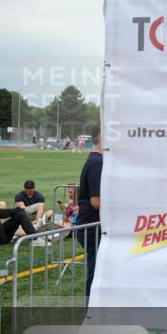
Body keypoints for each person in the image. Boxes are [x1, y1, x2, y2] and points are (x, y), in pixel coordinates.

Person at [77, 127, 103, 297]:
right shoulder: (98, 162)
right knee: (96, 274)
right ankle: (91, 313)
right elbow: (96, 202)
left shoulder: (95, 160)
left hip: (91, 227)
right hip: (93, 228)